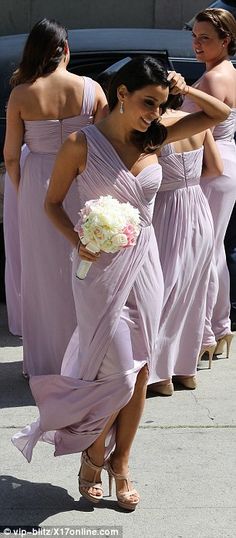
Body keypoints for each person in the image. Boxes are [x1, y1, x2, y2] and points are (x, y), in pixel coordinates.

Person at [12, 57, 229, 511]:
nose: (155, 112)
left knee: (143, 367)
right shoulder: (79, 143)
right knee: (116, 368)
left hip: (146, 261)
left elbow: (219, 115)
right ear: (122, 94)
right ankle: (93, 451)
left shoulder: (155, 136)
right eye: (148, 103)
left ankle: (122, 462)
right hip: (97, 268)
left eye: (162, 105)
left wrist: (184, 88)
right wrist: (79, 242)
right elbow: (51, 205)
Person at [3, 19, 108, 376]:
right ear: (65, 49)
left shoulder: (21, 93)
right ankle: (86, 357)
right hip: (82, 178)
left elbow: (11, 155)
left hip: (38, 183)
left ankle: (45, 361)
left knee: (41, 272)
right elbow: (108, 144)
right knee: (84, 268)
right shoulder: (91, 89)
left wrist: (21, 190)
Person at [148, 94, 223, 396]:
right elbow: (215, 168)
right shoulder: (197, 123)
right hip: (197, 206)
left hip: (165, 209)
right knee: (193, 291)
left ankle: (160, 373)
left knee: (162, 292)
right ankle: (186, 371)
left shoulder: (154, 127)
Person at [182, 8, 236, 358]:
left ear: (225, 41)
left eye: (205, 38)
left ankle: (208, 332)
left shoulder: (215, 79)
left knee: (203, 252)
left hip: (212, 168)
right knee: (212, 250)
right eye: (195, 37)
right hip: (224, 163)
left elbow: (204, 132)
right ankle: (218, 329)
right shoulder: (226, 71)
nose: (197, 44)